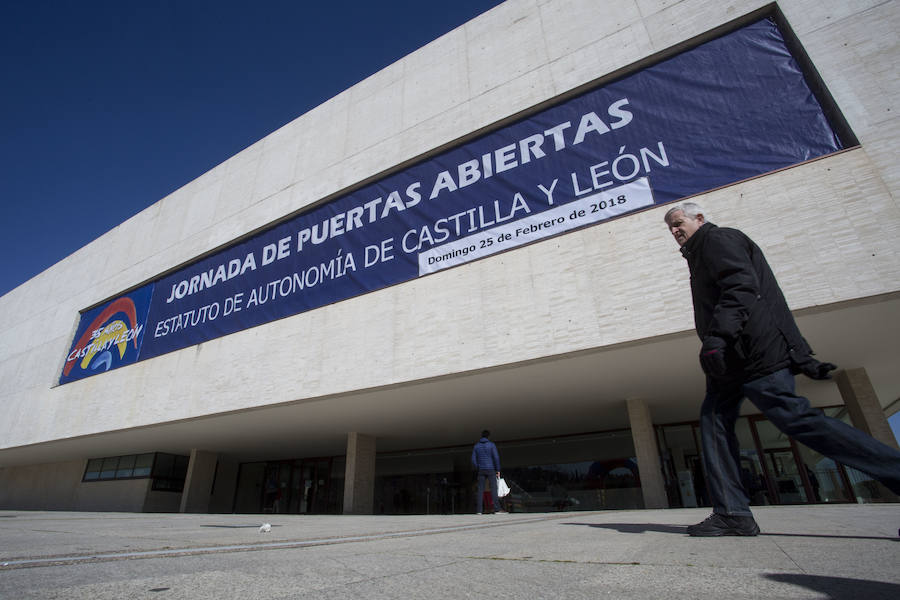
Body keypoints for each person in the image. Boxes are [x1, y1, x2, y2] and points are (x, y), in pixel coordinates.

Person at [664, 202, 900, 536]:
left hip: (753, 351)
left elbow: (742, 286)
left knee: (799, 420)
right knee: (714, 422)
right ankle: (732, 513)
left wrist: (718, 336)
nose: (675, 230)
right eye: (670, 227)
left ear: (699, 218)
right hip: (732, 360)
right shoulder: (700, 253)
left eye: (678, 222)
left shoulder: (718, 239)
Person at [472, 430, 504, 514]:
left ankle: (479, 510)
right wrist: (498, 469)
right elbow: (496, 457)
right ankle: (497, 509)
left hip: (481, 470)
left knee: (480, 490)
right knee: (493, 489)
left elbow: (473, 460)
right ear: (488, 436)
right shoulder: (491, 445)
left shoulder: (476, 446)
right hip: (490, 469)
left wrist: (478, 467)